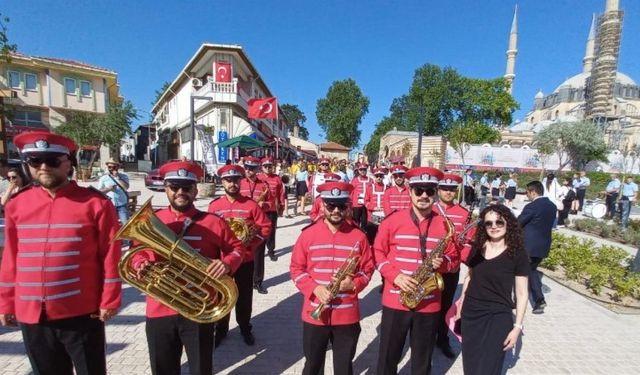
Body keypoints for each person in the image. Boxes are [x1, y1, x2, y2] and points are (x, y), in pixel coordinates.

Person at [0, 131, 121, 375]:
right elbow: (11, 257)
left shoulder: (96, 203)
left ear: (68, 162)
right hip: (31, 311)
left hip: (82, 311)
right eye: (35, 161)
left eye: (53, 161)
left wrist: (109, 299)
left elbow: (110, 253)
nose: (44, 167)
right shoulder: (16, 204)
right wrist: (5, 302)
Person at [131, 161, 245, 375]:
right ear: (165, 189)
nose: (180, 192)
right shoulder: (153, 220)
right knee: (162, 368)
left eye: (186, 187)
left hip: (199, 308)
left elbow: (237, 249)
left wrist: (227, 264)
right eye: (174, 187)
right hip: (159, 308)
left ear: (195, 190)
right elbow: (136, 251)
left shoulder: (214, 222)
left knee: (201, 369)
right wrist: (139, 263)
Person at [374, 167, 460, 375]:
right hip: (396, 298)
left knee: (422, 360)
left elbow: (455, 259)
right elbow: (377, 252)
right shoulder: (392, 221)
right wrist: (396, 276)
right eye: (419, 190)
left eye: (429, 191)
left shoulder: (445, 224)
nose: (424, 195)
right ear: (410, 191)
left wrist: (444, 264)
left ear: (436, 192)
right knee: (388, 357)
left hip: (429, 302)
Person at [290, 181, 374, 375]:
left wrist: (353, 283)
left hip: (347, 314)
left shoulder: (359, 236)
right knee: (312, 365)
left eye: (342, 206)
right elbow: (296, 269)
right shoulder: (307, 235)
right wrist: (314, 288)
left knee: (344, 367)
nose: (336, 210)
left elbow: (367, 269)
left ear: (348, 207)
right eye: (331, 205)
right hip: (315, 312)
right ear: (322, 205)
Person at [457, 204, 529, 375]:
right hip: (471, 313)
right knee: (471, 365)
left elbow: (522, 293)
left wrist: (517, 327)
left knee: (489, 367)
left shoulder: (517, 253)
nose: (494, 226)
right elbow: (469, 277)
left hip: (498, 315)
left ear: (508, 223)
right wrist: (460, 305)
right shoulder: (478, 247)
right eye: (489, 223)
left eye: (499, 222)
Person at [208, 164, 272, 347]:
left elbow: (266, 226)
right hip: (221, 261)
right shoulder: (215, 206)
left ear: (240, 181)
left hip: (245, 259)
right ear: (222, 182)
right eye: (228, 180)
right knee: (222, 295)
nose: (232, 184)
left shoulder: (251, 205)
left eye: (236, 180)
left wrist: (250, 244)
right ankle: (220, 329)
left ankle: (245, 327)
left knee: (244, 296)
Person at [434, 173, 471, 359]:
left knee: (445, 304)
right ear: (438, 190)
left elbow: (469, 241)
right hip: (430, 267)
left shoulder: (464, 214)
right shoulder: (429, 210)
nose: (448, 193)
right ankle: (422, 335)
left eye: (452, 190)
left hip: (450, 269)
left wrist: (460, 259)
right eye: (445, 189)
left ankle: (442, 337)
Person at [518, 181, 556, 314]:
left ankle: (538, 300)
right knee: (531, 270)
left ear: (533, 192)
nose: (527, 195)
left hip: (529, 246)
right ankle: (536, 299)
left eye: (528, 192)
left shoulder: (532, 206)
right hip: (543, 246)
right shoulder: (552, 206)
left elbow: (518, 223)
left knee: (525, 272)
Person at [239, 156, 272, 294]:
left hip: (257, 224)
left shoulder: (264, 185)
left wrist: (263, 204)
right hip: (242, 224)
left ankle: (258, 282)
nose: (249, 171)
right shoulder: (240, 183)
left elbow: (271, 204)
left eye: (252, 169)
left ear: (256, 169)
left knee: (258, 254)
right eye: (247, 168)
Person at [259, 157, 285, 262]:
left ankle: (271, 251)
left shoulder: (277, 178)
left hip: (272, 209)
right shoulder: (258, 178)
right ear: (262, 167)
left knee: (271, 231)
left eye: (270, 166)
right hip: (260, 210)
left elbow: (281, 193)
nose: (268, 168)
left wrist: (282, 205)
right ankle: (259, 251)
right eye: (265, 166)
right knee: (259, 231)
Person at [97, 158, 130, 225]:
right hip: (110, 204)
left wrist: (118, 177)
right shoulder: (104, 178)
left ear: (118, 167)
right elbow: (99, 192)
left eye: (114, 167)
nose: (112, 169)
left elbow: (126, 187)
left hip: (122, 204)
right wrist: (108, 189)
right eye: (110, 167)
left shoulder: (124, 176)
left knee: (125, 223)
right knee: (111, 224)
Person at [363, 167, 388, 245]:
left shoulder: (387, 188)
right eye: (377, 176)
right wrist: (373, 207)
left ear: (383, 177)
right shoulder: (370, 188)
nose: (379, 178)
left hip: (384, 217)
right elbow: (366, 201)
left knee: (382, 237)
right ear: (374, 177)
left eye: (381, 176)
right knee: (371, 237)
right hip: (372, 217)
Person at [350, 162, 372, 229]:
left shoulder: (371, 180)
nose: (362, 171)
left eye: (364, 169)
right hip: (356, 204)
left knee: (365, 221)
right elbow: (351, 192)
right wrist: (350, 204)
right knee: (356, 221)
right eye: (361, 169)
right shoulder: (355, 180)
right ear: (358, 170)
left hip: (367, 205)